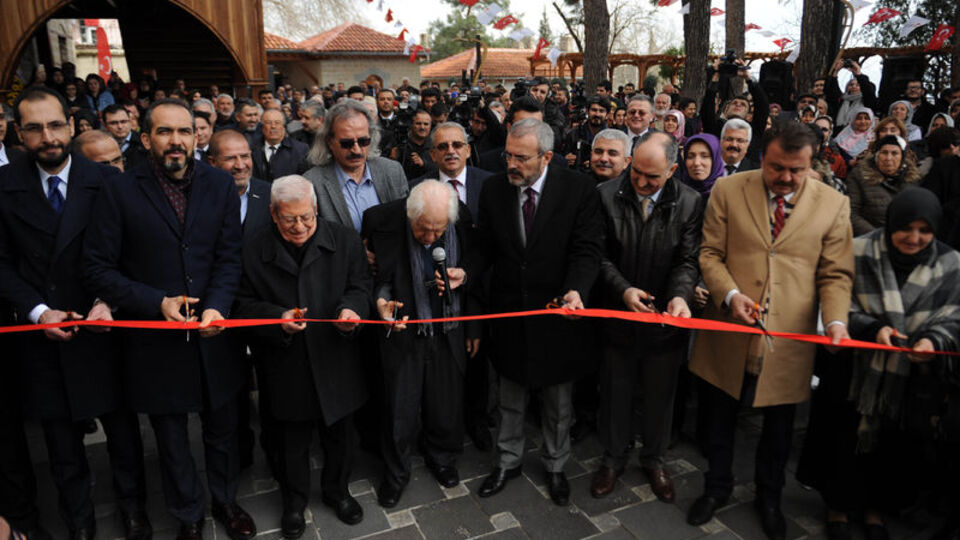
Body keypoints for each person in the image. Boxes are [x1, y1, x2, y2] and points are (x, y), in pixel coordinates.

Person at [82, 99, 255, 540]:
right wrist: (155, 301)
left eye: (184, 131)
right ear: (145, 139)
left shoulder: (220, 184)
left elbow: (229, 257)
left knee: (222, 429)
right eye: (164, 132)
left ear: (196, 137)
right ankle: (188, 514)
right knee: (172, 437)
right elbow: (98, 267)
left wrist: (218, 305)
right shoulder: (120, 190)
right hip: (156, 340)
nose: (176, 141)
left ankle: (226, 500)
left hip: (214, 332)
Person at [687, 120, 854, 540]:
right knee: (719, 419)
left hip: (789, 339)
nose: (786, 178)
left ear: (811, 164)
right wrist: (730, 295)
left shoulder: (833, 205)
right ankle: (716, 487)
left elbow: (835, 273)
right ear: (763, 157)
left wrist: (836, 321)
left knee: (779, 429)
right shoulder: (728, 190)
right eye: (777, 167)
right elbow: (709, 253)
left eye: (797, 170)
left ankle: (770, 498)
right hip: (729, 327)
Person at [0, 86, 149, 540]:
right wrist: (38, 311)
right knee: (62, 444)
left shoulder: (106, 180)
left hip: (103, 328)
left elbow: (132, 251)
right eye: (34, 128)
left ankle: (134, 510)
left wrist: (110, 301)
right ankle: (78, 521)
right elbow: (1, 263)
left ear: (71, 125)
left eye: (54, 125)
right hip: (44, 336)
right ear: (18, 133)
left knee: (123, 435)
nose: (47, 137)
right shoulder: (4, 185)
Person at [797, 188, 960, 540]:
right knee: (842, 440)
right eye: (906, 228)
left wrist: (933, 341)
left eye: (924, 230)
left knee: (891, 447)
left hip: (909, 378)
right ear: (891, 223)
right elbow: (836, 299)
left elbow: (953, 316)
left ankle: (874, 510)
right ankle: (838, 507)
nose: (914, 238)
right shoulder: (859, 250)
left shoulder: (951, 264)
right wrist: (871, 329)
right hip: (855, 370)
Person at [232, 175, 370, 538]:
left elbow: (361, 286)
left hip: (335, 355)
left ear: (316, 209)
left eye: (307, 217)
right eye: (289, 219)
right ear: (273, 214)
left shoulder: (343, 239)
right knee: (289, 442)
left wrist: (351, 310)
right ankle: (293, 502)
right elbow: (240, 305)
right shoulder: (253, 248)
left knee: (340, 436)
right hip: (285, 361)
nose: (300, 226)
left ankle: (338, 491)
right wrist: (276, 319)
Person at [474, 119, 603, 507]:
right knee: (509, 394)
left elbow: (587, 249)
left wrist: (576, 290)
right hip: (510, 312)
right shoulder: (494, 188)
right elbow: (485, 247)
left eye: (521, 158)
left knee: (557, 402)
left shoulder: (578, 189)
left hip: (558, 313)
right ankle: (507, 460)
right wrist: (466, 269)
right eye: (508, 155)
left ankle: (556, 464)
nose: (511, 164)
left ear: (546, 157)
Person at [591, 132, 703, 501]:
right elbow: (598, 256)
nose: (640, 182)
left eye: (652, 177)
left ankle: (654, 458)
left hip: (664, 321)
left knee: (660, 396)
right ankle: (613, 458)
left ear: (672, 170)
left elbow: (688, 260)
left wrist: (680, 297)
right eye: (635, 172)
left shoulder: (689, 202)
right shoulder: (606, 195)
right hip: (617, 314)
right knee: (615, 393)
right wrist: (623, 290)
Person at [362, 180, 476, 507]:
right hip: (405, 331)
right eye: (423, 229)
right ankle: (396, 473)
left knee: (445, 403)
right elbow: (375, 278)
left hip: (447, 329)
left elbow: (478, 264)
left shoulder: (460, 218)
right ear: (409, 216)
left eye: (438, 230)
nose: (430, 237)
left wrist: (463, 275)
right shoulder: (381, 221)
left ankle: (442, 458)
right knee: (399, 407)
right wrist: (381, 304)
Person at [302, 100, 408, 232]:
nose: (356, 150)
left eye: (363, 141)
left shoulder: (392, 171)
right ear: (329, 141)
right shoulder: (312, 183)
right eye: (346, 143)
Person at [847, 135, 922, 236]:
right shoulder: (859, 176)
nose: (888, 158)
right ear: (877, 156)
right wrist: (878, 236)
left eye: (894, 153)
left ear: (902, 157)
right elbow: (852, 213)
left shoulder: (913, 179)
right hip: (870, 237)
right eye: (884, 153)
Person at [251, 109, 309, 182]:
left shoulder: (300, 149)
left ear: (284, 127)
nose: (273, 126)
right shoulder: (251, 148)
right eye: (268, 123)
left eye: (277, 123)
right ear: (262, 127)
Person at [561, 96, 610, 172]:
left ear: (607, 115)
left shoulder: (611, 138)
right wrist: (567, 159)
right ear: (587, 111)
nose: (597, 114)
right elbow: (564, 157)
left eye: (601, 111)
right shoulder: (573, 134)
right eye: (594, 110)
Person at [826, 60, 877, 131]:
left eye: (857, 85)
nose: (854, 87)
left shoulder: (866, 100)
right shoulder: (842, 99)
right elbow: (832, 91)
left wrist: (858, 73)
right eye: (851, 84)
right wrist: (836, 72)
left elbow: (868, 90)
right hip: (839, 131)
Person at [389, 109, 434, 180]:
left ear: (430, 126)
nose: (422, 127)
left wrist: (424, 164)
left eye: (426, 124)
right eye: (418, 123)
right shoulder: (401, 144)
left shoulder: (435, 146)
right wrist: (392, 159)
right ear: (411, 125)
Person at [679, 133, 724, 199]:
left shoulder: (727, 196)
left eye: (704, 156)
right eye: (690, 157)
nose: (696, 163)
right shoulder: (676, 195)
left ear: (716, 159)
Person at [103, 104, 147, 168]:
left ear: (130, 122)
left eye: (123, 122)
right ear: (105, 125)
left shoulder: (144, 142)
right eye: (113, 123)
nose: (120, 126)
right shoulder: (101, 146)